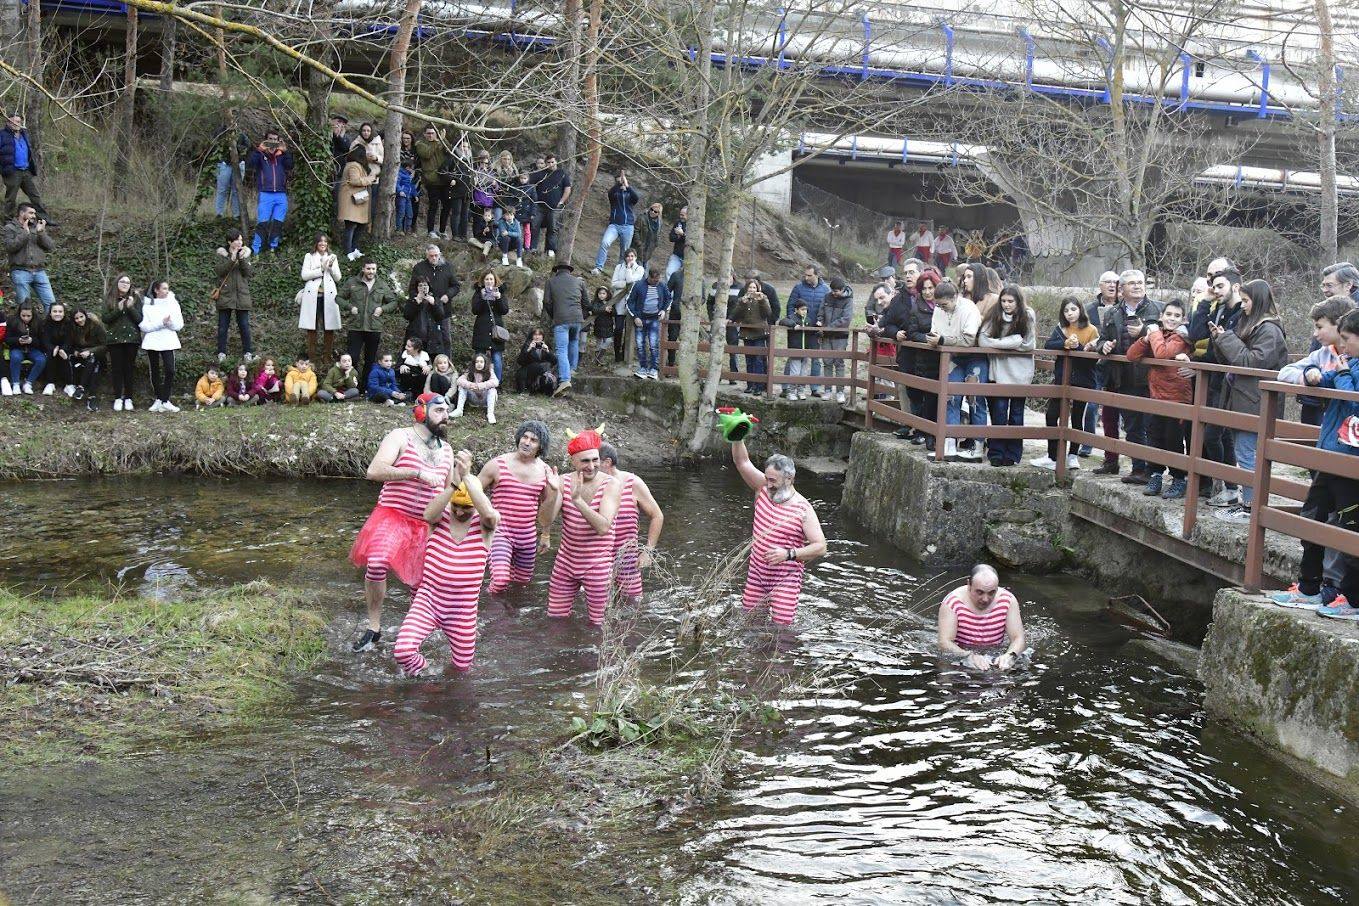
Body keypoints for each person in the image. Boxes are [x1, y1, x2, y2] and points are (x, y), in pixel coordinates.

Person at [1269, 309, 1359, 616]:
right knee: (1312, 517)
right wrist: (1315, 375)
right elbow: (1330, 380)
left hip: (1351, 461)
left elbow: (1353, 397)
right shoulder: (1350, 363)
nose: (1342, 347)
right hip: (1330, 455)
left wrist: (1342, 374)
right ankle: (1309, 587)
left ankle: (1352, 598)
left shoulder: (1351, 367)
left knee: (1349, 528)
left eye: (1347, 340)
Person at [350, 392, 454, 652]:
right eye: (439, 411)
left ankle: (410, 633)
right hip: (393, 515)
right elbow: (374, 471)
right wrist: (415, 473)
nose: (446, 416)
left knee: (421, 584)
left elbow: (448, 493)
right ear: (421, 412)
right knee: (376, 563)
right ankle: (374, 628)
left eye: (447, 412)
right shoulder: (400, 436)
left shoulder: (448, 450)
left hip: (426, 524)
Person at [394, 451, 501, 675]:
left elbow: (490, 515)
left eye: (467, 508)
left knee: (461, 671)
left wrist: (469, 477)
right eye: (456, 507)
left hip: (462, 611)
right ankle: (426, 677)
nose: (460, 512)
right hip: (429, 601)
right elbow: (427, 514)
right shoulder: (439, 518)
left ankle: (445, 696)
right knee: (403, 651)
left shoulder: (484, 527)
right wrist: (454, 484)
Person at [1209, 278, 1288, 524]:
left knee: (1247, 455)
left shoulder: (1269, 330)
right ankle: (1248, 504)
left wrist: (1228, 340)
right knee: (1245, 453)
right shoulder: (1253, 326)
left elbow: (1249, 363)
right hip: (1244, 399)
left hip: (1255, 401)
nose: (1242, 306)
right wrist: (1220, 340)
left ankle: (1252, 507)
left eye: (1245, 300)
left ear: (1259, 300)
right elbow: (1233, 362)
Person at [730, 440, 827, 625]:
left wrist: (788, 554)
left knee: (781, 630)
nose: (769, 484)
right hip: (757, 574)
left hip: (785, 579)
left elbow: (821, 547)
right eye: (767, 478)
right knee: (750, 623)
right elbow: (741, 461)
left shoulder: (803, 509)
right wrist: (737, 435)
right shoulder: (762, 489)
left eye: (773, 480)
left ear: (789, 478)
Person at [540, 428, 621, 626]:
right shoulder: (563, 481)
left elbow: (603, 527)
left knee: (598, 624)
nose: (592, 466)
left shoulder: (612, 484)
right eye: (585, 461)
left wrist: (578, 501)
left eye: (595, 460)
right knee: (555, 620)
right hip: (565, 563)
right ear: (573, 461)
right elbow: (544, 520)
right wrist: (552, 493)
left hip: (598, 564)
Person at [1097, 268, 1160, 482]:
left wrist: (1144, 332)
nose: (1137, 286)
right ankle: (1139, 469)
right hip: (1122, 377)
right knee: (1132, 426)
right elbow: (1101, 339)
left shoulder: (1156, 310)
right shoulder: (1112, 313)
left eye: (1140, 282)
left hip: (1151, 377)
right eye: (1132, 283)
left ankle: (1154, 471)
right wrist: (1103, 345)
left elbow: (1167, 341)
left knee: (1152, 425)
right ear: (1121, 289)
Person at [1126, 299, 1194, 498]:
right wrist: (1145, 339)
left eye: (1177, 316)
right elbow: (1131, 355)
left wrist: (1153, 332)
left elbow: (1163, 354)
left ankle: (1179, 479)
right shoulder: (1159, 336)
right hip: (1156, 396)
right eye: (1169, 314)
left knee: (1173, 439)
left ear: (1183, 319)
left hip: (1177, 398)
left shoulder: (1181, 338)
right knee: (1155, 437)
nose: (1172, 319)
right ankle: (1155, 475)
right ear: (1162, 315)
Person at [1188, 262, 1243, 502]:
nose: (1216, 290)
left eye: (1220, 285)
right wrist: (1203, 301)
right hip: (1215, 381)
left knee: (1214, 435)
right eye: (1213, 285)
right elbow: (1196, 333)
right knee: (1221, 436)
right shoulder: (1218, 308)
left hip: (1231, 383)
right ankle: (1230, 487)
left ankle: (1231, 486)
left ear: (1235, 286)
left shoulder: (1243, 312)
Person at [477, 420, 552, 592]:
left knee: (521, 584)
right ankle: (488, 614)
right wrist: (480, 519)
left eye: (533, 440)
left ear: (541, 446)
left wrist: (546, 535)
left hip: (527, 536)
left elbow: (547, 507)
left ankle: (510, 615)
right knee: (501, 580)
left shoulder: (545, 471)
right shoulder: (497, 464)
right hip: (500, 532)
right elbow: (472, 492)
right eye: (524, 437)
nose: (526, 442)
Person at [1034, 296, 1099, 470]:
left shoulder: (1091, 330)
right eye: (1066, 310)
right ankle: (1053, 456)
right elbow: (1049, 345)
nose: (1070, 314)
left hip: (1084, 380)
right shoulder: (1061, 329)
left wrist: (1077, 347)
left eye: (1073, 309)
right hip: (1062, 379)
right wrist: (1065, 343)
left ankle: (1072, 455)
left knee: (1077, 418)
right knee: (1051, 415)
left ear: (1080, 309)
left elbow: (1092, 359)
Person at [977, 284, 1035, 467]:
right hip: (1000, 371)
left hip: (1021, 372)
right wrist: (1012, 342)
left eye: (1010, 301)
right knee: (999, 411)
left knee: (1017, 414)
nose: (1006, 305)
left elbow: (1028, 344)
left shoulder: (1028, 314)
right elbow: (983, 340)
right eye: (1003, 301)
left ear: (1018, 301)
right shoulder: (995, 315)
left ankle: (1013, 453)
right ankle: (996, 452)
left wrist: (998, 344)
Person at [598, 442, 664, 600]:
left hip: (627, 557)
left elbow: (657, 516)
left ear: (606, 463)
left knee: (631, 604)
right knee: (597, 607)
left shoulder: (632, 483)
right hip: (597, 558)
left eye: (594, 461)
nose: (589, 466)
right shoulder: (592, 483)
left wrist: (648, 551)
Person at [926, 281, 982, 461]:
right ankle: (949, 443)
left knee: (975, 399)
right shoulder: (939, 310)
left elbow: (968, 340)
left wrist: (943, 340)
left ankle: (978, 445)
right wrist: (937, 339)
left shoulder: (969, 309)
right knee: (950, 397)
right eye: (939, 305)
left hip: (974, 357)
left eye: (945, 305)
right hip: (953, 358)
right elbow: (935, 332)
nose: (942, 308)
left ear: (955, 298)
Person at [937, 564, 1026, 670]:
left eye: (991, 593)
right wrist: (968, 656)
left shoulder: (1008, 600)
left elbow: (1018, 638)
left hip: (995, 650)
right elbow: (944, 642)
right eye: (980, 592)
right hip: (961, 654)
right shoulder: (952, 602)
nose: (985, 599)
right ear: (969, 585)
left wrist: (1010, 655)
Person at [1080, 271, 1122, 456]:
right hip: (1095, 365)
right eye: (1108, 282)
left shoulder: (1124, 308)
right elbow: (1079, 331)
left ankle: (1116, 452)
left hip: (1118, 366)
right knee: (1090, 406)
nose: (1112, 285)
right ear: (1100, 285)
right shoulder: (1088, 309)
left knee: (1116, 410)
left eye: (1115, 282)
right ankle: (1088, 444)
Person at [339, 258, 398, 390]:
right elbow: (339, 297)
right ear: (363, 269)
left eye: (373, 269)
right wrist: (350, 307)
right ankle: (351, 386)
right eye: (368, 268)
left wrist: (382, 309)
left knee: (370, 360)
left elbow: (393, 301)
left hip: (374, 327)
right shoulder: (352, 282)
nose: (371, 271)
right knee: (352, 358)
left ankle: (365, 387)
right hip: (356, 326)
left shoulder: (381, 284)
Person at [246, 129, 294, 255]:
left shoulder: (282, 156)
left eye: (275, 140)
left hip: (281, 194)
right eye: (270, 139)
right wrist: (259, 150)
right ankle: (256, 250)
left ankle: (273, 248)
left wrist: (286, 151)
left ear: (278, 141)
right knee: (262, 223)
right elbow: (250, 164)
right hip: (265, 194)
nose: (272, 142)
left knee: (277, 223)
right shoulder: (261, 155)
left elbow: (290, 165)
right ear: (265, 140)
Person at [140, 279, 185, 412]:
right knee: (154, 371)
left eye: (167, 288)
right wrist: (161, 323)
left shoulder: (173, 303)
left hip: (168, 340)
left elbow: (179, 325)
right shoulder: (147, 305)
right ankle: (159, 399)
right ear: (156, 290)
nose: (167, 291)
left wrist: (169, 323)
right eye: (164, 288)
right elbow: (143, 326)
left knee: (170, 369)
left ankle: (165, 399)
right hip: (152, 341)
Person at [407, 243, 459, 355]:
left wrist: (447, 295)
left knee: (445, 340)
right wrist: (417, 299)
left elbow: (456, 286)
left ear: (440, 254)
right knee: (423, 340)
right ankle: (423, 367)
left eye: (436, 255)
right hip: (424, 310)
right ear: (427, 255)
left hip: (443, 310)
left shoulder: (448, 267)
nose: (434, 258)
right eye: (431, 256)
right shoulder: (419, 268)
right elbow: (412, 289)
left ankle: (446, 367)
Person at [545, 261, 588, 394]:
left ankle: (564, 380)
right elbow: (586, 303)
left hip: (561, 319)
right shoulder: (579, 282)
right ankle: (572, 370)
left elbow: (547, 302)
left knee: (561, 350)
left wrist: (555, 315)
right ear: (569, 270)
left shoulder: (551, 282)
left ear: (557, 270)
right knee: (574, 342)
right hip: (577, 319)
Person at [298, 234, 342, 363]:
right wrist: (321, 269)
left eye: (325, 241)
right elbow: (304, 275)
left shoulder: (332, 257)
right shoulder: (309, 256)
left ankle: (326, 357)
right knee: (311, 327)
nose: (323, 243)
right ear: (316, 243)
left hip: (329, 297)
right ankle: (312, 358)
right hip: (313, 296)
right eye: (320, 241)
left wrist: (331, 267)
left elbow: (338, 278)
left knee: (329, 327)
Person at [787, 265, 830, 396]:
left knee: (815, 359)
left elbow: (827, 309)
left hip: (815, 330)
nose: (806, 277)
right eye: (805, 275)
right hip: (799, 330)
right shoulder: (798, 287)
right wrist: (793, 322)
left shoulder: (825, 289)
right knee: (794, 358)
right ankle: (786, 387)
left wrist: (823, 325)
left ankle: (814, 387)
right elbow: (790, 306)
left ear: (817, 275)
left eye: (809, 275)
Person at [101, 274, 141, 411]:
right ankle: (118, 397)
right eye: (122, 281)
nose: (125, 284)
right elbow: (105, 318)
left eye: (128, 282)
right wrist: (118, 310)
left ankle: (129, 398)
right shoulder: (109, 298)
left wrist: (130, 307)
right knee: (117, 369)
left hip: (132, 339)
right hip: (115, 339)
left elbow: (139, 319)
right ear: (117, 282)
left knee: (129, 368)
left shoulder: (135, 299)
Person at [5, 203, 55, 313]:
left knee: (51, 304)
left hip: (39, 271)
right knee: (24, 306)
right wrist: (25, 233)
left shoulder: (36, 228)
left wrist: (41, 233)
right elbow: (10, 247)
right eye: (31, 213)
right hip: (20, 271)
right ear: (22, 213)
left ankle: (50, 329)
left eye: (34, 213)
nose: (34, 216)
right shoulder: (10, 228)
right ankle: (25, 330)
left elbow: (50, 247)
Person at [214, 229, 254, 364]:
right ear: (229, 242)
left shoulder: (245, 254)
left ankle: (248, 352)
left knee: (244, 325)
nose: (239, 242)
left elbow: (248, 273)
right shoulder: (221, 254)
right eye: (237, 240)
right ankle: (221, 353)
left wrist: (241, 258)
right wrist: (231, 259)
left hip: (242, 295)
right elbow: (219, 271)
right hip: (225, 294)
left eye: (241, 240)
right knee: (223, 327)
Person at [626, 266, 673, 381]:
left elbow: (668, 299)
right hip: (640, 319)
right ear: (649, 277)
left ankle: (654, 369)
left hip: (654, 319)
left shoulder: (662, 285)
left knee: (653, 345)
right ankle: (643, 367)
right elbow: (629, 302)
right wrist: (635, 317)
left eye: (658, 280)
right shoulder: (638, 285)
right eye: (654, 280)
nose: (656, 282)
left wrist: (663, 310)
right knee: (640, 345)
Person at [730, 279, 773, 396]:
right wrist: (742, 303)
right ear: (746, 289)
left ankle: (759, 386)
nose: (752, 290)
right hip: (747, 334)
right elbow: (735, 315)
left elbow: (768, 314)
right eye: (750, 288)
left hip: (759, 334)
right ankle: (750, 385)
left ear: (758, 289)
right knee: (749, 360)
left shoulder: (763, 298)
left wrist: (761, 301)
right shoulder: (742, 300)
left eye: (754, 288)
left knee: (759, 360)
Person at [1, 113, 47, 221]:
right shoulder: (2, 135)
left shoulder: (24, 134)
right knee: (11, 198)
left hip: (25, 170)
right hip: (12, 171)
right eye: (13, 121)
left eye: (18, 122)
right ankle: (8, 220)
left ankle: (44, 218)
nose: (16, 124)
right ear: (8, 122)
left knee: (35, 196)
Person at [592, 170, 639, 274]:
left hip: (628, 226)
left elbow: (636, 199)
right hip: (614, 225)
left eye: (622, 180)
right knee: (605, 242)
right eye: (618, 180)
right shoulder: (614, 192)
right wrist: (618, 185)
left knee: (625, 251)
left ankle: (620, 272)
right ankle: (598, 267)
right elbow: (610, 194)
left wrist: (627, 186)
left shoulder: (630, 192)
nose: (620, 182)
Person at [818, 278, 854, 403]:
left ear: (843, 290)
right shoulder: (827, 297)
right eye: (832, 291)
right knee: (827, 362)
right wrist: (820, 321)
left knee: (839, 363)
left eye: (837, 291)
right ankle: (827, 390)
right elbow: (821, 311)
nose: (834, 293)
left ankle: (840, 391)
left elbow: (846, 318)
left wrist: (830, 327)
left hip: (840, 336)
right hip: (826, 336)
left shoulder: (848, 300)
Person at [470, 270, 510, 382]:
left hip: (496, 330)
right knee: (479, 358)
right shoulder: (478, 293)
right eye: (487, 279)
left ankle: (496, 384)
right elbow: (475, 310)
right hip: (481, 329)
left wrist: (499, 298)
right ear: (483, 281)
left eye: (491, 279)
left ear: (495, 280)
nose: (489, 281)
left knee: (497, 358)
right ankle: (478, 382)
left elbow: (504, 310)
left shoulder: (500, 292)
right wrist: (483, 298)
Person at [338, 146, 377, 258]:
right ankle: (348, 252)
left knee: (360, 226)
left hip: (357, 202)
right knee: (350, 227)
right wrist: (369, 179)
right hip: (350, 201)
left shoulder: (357, 165)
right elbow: (355, 181)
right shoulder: (353, 165)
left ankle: (355, 250)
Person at [415, 126, 451, 239]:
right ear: (425, 134)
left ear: (436, 134)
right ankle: (430, 230)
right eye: (428, 133)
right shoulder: (420, 144)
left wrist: (443, 140)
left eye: (433, 133)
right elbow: (427, 154)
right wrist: (440, 141)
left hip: (444, 179)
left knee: (446, 206)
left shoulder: (440, 142)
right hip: (432, 180)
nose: (430, 135)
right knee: (433, 206)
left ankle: (442, 230)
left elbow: (449, 150)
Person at [610, 248, 645, 365]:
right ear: (625, 257)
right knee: (618, 328)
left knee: (629, 330)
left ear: (635, 257)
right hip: (619, 302)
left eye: (632, 256)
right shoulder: (619, 267)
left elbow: (632, 281)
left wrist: (629, 269)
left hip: (632, 302)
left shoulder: (639, 269)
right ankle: (617, 354)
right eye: (628, 256)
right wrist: (625, 284)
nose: (630, 258)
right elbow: (613, 283)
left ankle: (626, 353)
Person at [534, 154, 572, 257]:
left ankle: (550, 249)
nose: (551, 164)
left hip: (554, 207)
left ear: (556, 162)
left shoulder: (562, 174)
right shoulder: (540, 174)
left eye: (552, 162)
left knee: (552, 228)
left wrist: (561, 202)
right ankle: (532, 248)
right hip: (539, 206)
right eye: (548, 162)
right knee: (534, 226)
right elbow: (529, 184)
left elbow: (567, 189)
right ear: (545, 163)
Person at [5, 302, 46, 395]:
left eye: (28, 316)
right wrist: (18, 340)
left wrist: (32, 340)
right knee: (16, 357)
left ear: (33, 315)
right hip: (17, 348)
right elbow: (7, 339)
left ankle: (28, 383)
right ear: (19, 313)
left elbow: (42, 341)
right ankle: (15, 383)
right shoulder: (12, 321)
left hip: (33, 349)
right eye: (23, 315)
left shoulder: (38, 322)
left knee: (41, 360)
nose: (26, 318)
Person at [69, 307, 107, 407]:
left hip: (98, 355)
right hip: (81, 357)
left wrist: (90, 351)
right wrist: (76, 352)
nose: (80, 320)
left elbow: (105, 345)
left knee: (94, 362)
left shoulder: (96, 326)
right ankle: (92, 397)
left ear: (85, 316)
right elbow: (71, 345)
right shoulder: (73, 329)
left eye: (81, 317)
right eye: (76, 318)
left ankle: (81, 387)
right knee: (94, 367)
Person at [779, 298, 812, 400]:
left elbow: (812, 332)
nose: (804, 312)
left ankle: (801, 391)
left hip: (805, 351)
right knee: (795, 372)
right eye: (802, 309)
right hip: (795, 351)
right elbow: (782, 321)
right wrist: (793, 325)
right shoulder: (792, 318)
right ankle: (791, 392)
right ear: (796, 310)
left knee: (804, 373)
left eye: (806, 309)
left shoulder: (808, 320)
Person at [39, 301, 75, 396]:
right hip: (50, 347)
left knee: (65, 357)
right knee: (51, 355)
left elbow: (69, 340)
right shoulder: (45, 324)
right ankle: (50, 383)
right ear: (50, 313)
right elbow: (45, 339)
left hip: (65, 348)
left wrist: (63, 349)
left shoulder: (68, 324)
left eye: (60, 311)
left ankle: (69, 385)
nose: (57, 314)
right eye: (55, 311)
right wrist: (52, 348)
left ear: (64, 313)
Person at [452, 352, 498, 423]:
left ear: (485, 363)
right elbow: (459, 380)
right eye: (477, 362)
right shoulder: (470, 371)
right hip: (473, 398)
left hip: (485, 399)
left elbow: (495, 382)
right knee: (462, 387)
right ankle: (459, 410)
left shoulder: (489, 370)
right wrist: (470, 385)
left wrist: (480, 386)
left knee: (492, 389)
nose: (479, 364)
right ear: (474, 363)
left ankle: (490, 413)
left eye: (481, 362)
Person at [515, 328, 557, 394]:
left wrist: (548, 351)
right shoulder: (527, 344)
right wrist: (528, 350)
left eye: (539, 335)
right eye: (535, 335)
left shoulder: (545, 345)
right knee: (538, 366)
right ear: (532, 336)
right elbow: (520, 361)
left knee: (546, 366)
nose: (537, 337)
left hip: (541, 372)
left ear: (542, 336)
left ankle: (544, 389)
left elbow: (554, 361)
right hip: (527, 372)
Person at [588, 284, 615, 366]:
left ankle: (598, 358)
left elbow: (615, 313)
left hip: (608, 325)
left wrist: (611, 310)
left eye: (604, 293)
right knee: (599, 343)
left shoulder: (610, 302)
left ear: (607, 294)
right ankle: (598, 362)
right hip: (599, 325)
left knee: (609, 340)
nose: (601, 295)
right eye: (600, 293)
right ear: (597, 294)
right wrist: (604, 309)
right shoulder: (595, 302)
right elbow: (594, 310)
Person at [634, 201, 664, 267]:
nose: (652, 212)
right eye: (651, 209)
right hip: (638, 247)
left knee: (644, 267)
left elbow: (658, 234)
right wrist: (638, 243)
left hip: (649, 248)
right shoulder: (642, 217)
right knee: (636, 266)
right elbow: (636, 230)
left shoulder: (659, 223)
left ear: (659, 213)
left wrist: (656, 244)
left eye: (655, 211)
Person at [395, 149, 418, 234]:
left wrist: (415, 195)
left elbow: (411, 185)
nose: (413, 169)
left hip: (408, 196)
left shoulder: (409, 175)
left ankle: (408, 230)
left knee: (410, 214)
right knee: (401, 213)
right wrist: (400, 191)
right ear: (407, 167)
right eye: (412, 168)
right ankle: (399, 229)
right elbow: (397, 183)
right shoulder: (400, 174)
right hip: (402, 196)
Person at [665, 205, 688, 278]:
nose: (680, 216)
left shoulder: (693, 226)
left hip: (688, 257)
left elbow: (691, 242)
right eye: (680, 214)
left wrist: (682, 234)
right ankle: (668, 289)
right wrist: (678, 236)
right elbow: (671, 238)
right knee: (669, 272)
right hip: (677, 255)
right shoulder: (678, 223)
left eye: (682, 215)